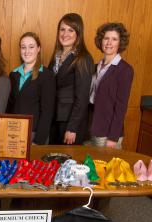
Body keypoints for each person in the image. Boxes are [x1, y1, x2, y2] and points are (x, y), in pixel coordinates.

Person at [48, 13, 94, 145]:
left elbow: (82, 97)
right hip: (55, 118)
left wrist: (72, 128)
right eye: (62, 29)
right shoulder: (56, 56)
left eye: (70, 30)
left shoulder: (83, 58)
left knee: (68, 163)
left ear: (78, 33)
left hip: (70, 123)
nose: (65, 34)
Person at [88, 23, 134, 149]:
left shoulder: (125, 70)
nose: (109, 42)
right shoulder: (96, 66)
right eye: (106, 38)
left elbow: (121, 107)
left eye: (114, 39)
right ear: (101, 40)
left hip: (107, 134)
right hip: (91, 129)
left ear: (120, 43)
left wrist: (113, 138)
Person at [7, 32, 56, 145]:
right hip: (14, 133)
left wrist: (38, 141)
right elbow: (10, 108)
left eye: (31, 47)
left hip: (34, 134)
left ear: (38, 49)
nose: (27, 51)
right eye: (23, 47)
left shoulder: (46, 76)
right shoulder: (13, 75)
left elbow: (47, 112)